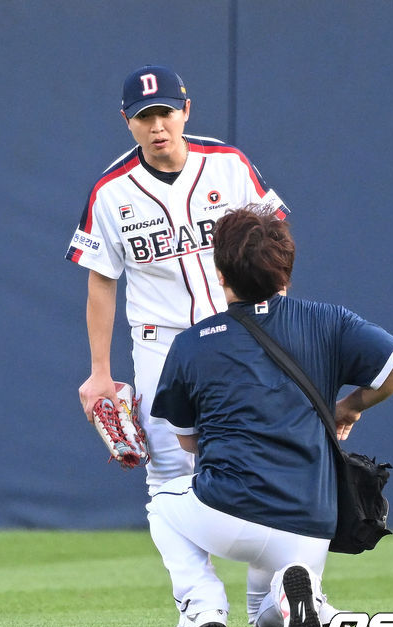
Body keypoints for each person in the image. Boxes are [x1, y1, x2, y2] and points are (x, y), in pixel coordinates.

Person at [148, 206, 393, 627]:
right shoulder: (329, 321)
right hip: (310, 523)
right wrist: (351, 406)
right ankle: (299, 597)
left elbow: (187, 444)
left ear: (220, 273)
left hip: (228, 513)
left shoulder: (190, 344)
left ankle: (203, 607)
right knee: (267, 616)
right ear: (285, 272)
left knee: (161, 502)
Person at [65, 65, 289, 493]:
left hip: (237, 329)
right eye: (144, 116)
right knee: (169, 469)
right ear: (126, 120)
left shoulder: (228, 165)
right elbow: (101, 282)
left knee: (257, 458)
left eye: (165, 112)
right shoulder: (111, 190)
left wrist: (278, 321)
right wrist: (99, 372)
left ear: (186, 110)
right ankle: (190, 565)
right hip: (159, 341)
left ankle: (270, 562)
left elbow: (275, 245)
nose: (156, 126)